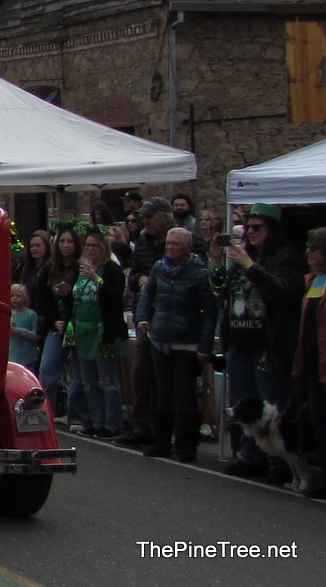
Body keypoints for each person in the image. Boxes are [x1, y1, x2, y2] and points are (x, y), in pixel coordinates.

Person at [209, 202, 303, 483]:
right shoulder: (243, 256)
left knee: (271, 407)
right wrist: (216, 262)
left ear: (272, 229)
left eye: (257, 228)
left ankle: (279, 463)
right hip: (239, 340)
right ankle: (251, 457)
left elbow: (283, 291)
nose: (251, 232)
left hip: (268, 344)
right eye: (249, 227)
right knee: (243, 403)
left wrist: (251, 266)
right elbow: (220, 292)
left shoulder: (285, 257)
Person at [134, 228, 216, 463]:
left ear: (188, 247)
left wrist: (204, 346)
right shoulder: (159, 268)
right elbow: (147, 295)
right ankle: (162, 441)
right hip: (160, 339)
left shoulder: (200, 273)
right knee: (163, 392)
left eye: (176, 244)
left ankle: (186, 444)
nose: (170, 247)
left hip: (187, 342)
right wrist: (142, 318)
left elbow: (210, 311)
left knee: (185, 393)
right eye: (168, 243)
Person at [116, 197, 174, 449]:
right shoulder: (143, 243)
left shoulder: (181, 241)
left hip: (171, 318)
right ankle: (140, 427)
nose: (145, 221)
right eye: (144, 217)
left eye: (150, 216)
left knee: (166, 379)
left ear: (165, 217)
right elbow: (133, 275)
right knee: (141, 374)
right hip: (146, 316)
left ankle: (166, 430)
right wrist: (138, 279)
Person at [68, 228, 128, 439]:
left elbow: (115, 297)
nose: (91, 249)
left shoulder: (112, 269)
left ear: (104, 248)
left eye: (96, 245)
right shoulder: (81, 268)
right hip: (82, 331)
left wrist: (96, 279)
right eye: (88, 245)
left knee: (107, 380)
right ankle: (95, 420)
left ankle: (112, 424)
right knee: (88, 381)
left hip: (104, 332)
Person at [37, 228, 84, 426]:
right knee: (48, 368)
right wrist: (54, 321)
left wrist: (70, 293)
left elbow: (84, 298)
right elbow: (43, 301)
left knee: (78, 372)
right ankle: (46, 411)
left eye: (70, 241)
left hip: (75, 325)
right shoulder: (49, 269)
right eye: (62, 241)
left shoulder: (81, 268)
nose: (65, 245)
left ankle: (76, 415)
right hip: (56, 326)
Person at [293, 227, 326, 498]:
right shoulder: (313, 282)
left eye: (314, 248)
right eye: (307, 247)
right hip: (314, 366)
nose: (308, 252)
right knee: (320, 423)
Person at [9, 284, 41, 374]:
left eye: (18, 296)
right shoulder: (9, 314)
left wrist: (17, 331)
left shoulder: (31, 314)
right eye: (12, 296)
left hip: (27, 358)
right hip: (12, 357)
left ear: (25, 298)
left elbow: (37, 334)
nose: (14, 298)